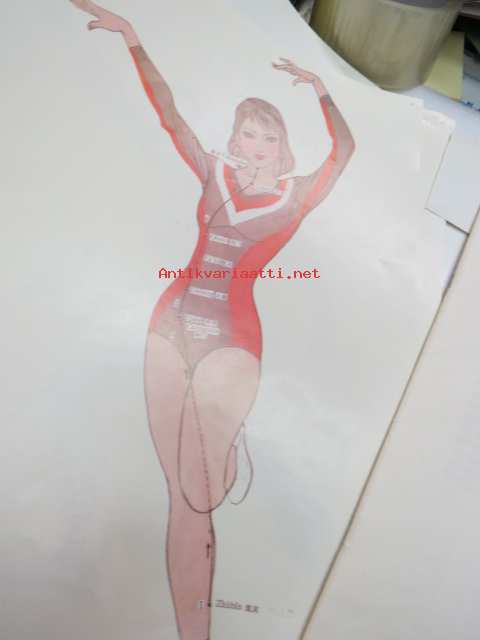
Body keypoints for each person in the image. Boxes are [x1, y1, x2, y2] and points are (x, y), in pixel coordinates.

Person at [70, 2, 355, 638]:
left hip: (232, 340)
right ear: (236, 138)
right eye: (248, 133)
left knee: (202, 494)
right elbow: (169, 113)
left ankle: (227, 447)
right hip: (169, 327)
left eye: (269, 137)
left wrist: (323, 89)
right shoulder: (213, 172)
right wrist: (133, 39)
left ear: (283, 149)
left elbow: (344, 152)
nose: (256, 146)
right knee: (181, 497)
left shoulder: (297, 196)